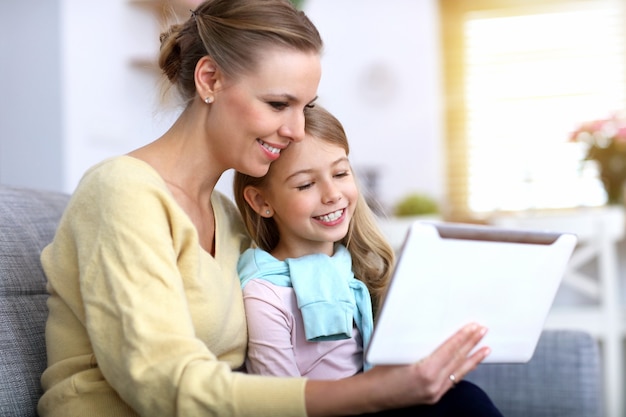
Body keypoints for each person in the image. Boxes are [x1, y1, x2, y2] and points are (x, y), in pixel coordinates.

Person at [37, 0, 499, 416]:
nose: (297, 130)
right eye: (279, 104)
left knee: (460, 401)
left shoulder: (230, 216)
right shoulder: (121, 192)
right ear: (210, 79)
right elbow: (162, 384)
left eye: (306, 107)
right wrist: (373, 392)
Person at [234, 105, 503, 416]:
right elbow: (279, 404)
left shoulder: (355, 270)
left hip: (380, 400)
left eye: (340, 173)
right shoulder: (265, 293)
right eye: (306, 184)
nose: (332, 194)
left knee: (466, 397)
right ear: (262, 201)